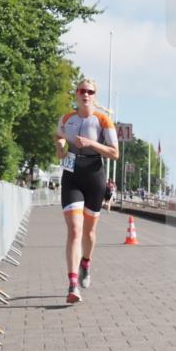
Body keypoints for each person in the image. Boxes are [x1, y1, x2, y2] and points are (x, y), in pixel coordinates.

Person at [55, 78, 119, 303]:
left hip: (94, 175)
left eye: (90, 91)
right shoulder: (66, 119)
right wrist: (61, 146)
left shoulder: (103, 120)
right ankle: (72, 284)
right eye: (82, 90)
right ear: (76, 94)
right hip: (72, 175)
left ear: (94, 95)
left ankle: (86, 262)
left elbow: (114, 153)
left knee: (89, 233)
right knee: (74, 229)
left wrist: (92, 144)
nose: (85, 94)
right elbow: (59, 149)